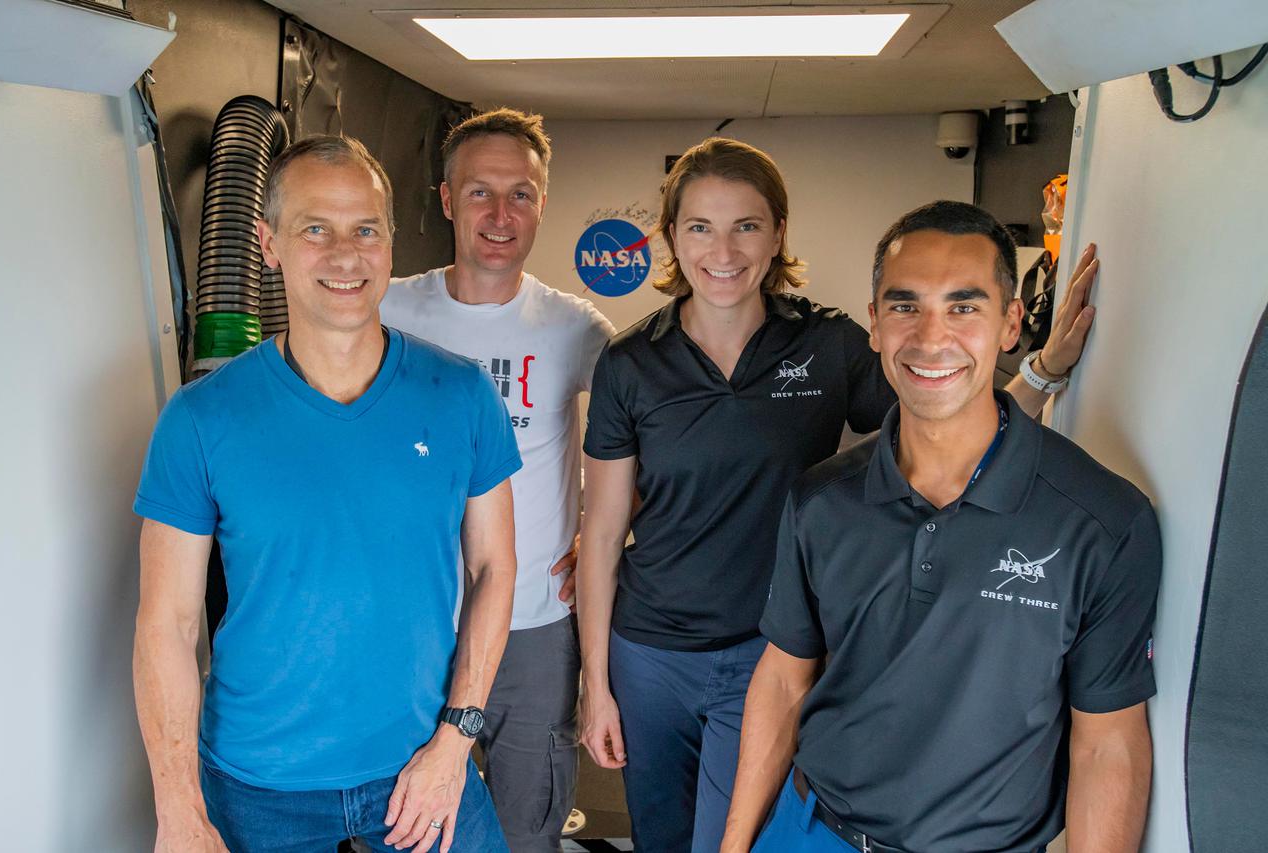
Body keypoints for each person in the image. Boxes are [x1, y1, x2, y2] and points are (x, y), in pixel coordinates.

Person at [577, 138, 1098, 853]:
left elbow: (952, 417)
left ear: (779, 234)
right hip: (650, 653)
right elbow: (603, 533)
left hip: (769, 650)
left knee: (727, 839)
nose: (723, 249)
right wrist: (596, 685)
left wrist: (1041, 371)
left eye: (747, 226)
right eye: (700, 226)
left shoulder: (827, 345)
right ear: (671, 237)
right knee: (659, 837)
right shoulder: (631, 361)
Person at [721, 201, 1159, 853]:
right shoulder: (821, 499)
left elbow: (1108, 743)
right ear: (874, 324)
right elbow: (785, 677)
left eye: (964, 306)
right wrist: (737, 843)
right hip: (813, 832)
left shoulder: (1103, 519)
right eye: (904, 306)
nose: (930, 338)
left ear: (1010, 323)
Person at [132, 135, 519, 853]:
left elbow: (495, 568)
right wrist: (178, 807)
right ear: (269, 243)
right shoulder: (201, 417)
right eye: (317, 229)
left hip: (421, 769)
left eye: (365, 228)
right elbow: (168, 624)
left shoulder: (462, 394)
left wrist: (455, 741)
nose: (346, 254)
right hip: (256, 786)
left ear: (391, 242)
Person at [383, 108, 614, 853]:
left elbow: (647, 430)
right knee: (409, 822)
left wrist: (603, 533)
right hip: (414, 619)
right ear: (447, 200)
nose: (500, 213)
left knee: (526, 826)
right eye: (481, 192)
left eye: (521, 193)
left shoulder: (574, 327)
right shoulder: (387, 309)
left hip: (536, 624)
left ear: (543, 204)